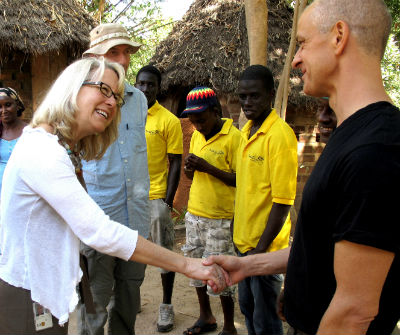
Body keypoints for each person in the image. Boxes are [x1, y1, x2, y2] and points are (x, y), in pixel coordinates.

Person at [206, 0, 400, 334]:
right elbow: (322, 244)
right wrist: (248, 265)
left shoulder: (376, 150)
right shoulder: (350, 136)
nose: (295, 60)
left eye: (302, 43)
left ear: (339, 37)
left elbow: (354, 312)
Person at [0, 57, 228, 335]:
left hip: (41, 290)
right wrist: (188, 265)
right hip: (28, 292)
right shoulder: (43, 151)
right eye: (104, 90)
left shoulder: (58, 148)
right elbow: (99, 231)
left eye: (117, 98)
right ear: (73, 88)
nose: (111, 102)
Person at [78, 23, 151, 335]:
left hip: (136, 220)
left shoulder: (140, 100)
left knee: (128, 298)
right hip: (99, 222)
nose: (122, 60)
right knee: (94, 304)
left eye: (127, 53)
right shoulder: (78, 101)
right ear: (94, 57)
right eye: (114, 52)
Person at [234, 65, 298, 335]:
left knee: (267, 322)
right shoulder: (246, 131)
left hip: (265, 251)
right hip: (243, 245)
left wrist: (260, 250)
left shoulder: (280, 136)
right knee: (248, 310)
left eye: (254, 96)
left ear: (270, 95)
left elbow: (282, 201)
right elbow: (245, 187)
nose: (247, 102)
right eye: (243, 96)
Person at [180, 86, 241, 335]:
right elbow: (190, 175)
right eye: (193, 121)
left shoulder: (234, 138)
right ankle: (206, 316)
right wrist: (190, 168)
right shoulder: (196, 135)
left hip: (221, 218)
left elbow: (240, 180)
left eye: (201, 120)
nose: (197, 126)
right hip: (194, 213)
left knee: (221, 274)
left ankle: (229, 326)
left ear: (216, 112)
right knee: (197, 270)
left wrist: (207, 167)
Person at [135, 65, 183, 332]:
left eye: (150, 85)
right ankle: (132, 300)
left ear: (158, 87)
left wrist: (167, 201)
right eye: (141, 83)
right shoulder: (125, 115)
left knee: (164, 254)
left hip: (155, 197)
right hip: (130, 199)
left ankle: (166, 306)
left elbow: (175, 162)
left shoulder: (169, 120)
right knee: (129, 253)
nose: (145, 89)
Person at [0, 87, 27, 193]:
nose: (3, 110)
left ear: (18, 105)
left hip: (23, 188)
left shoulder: (31, 132)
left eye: (8, 105)